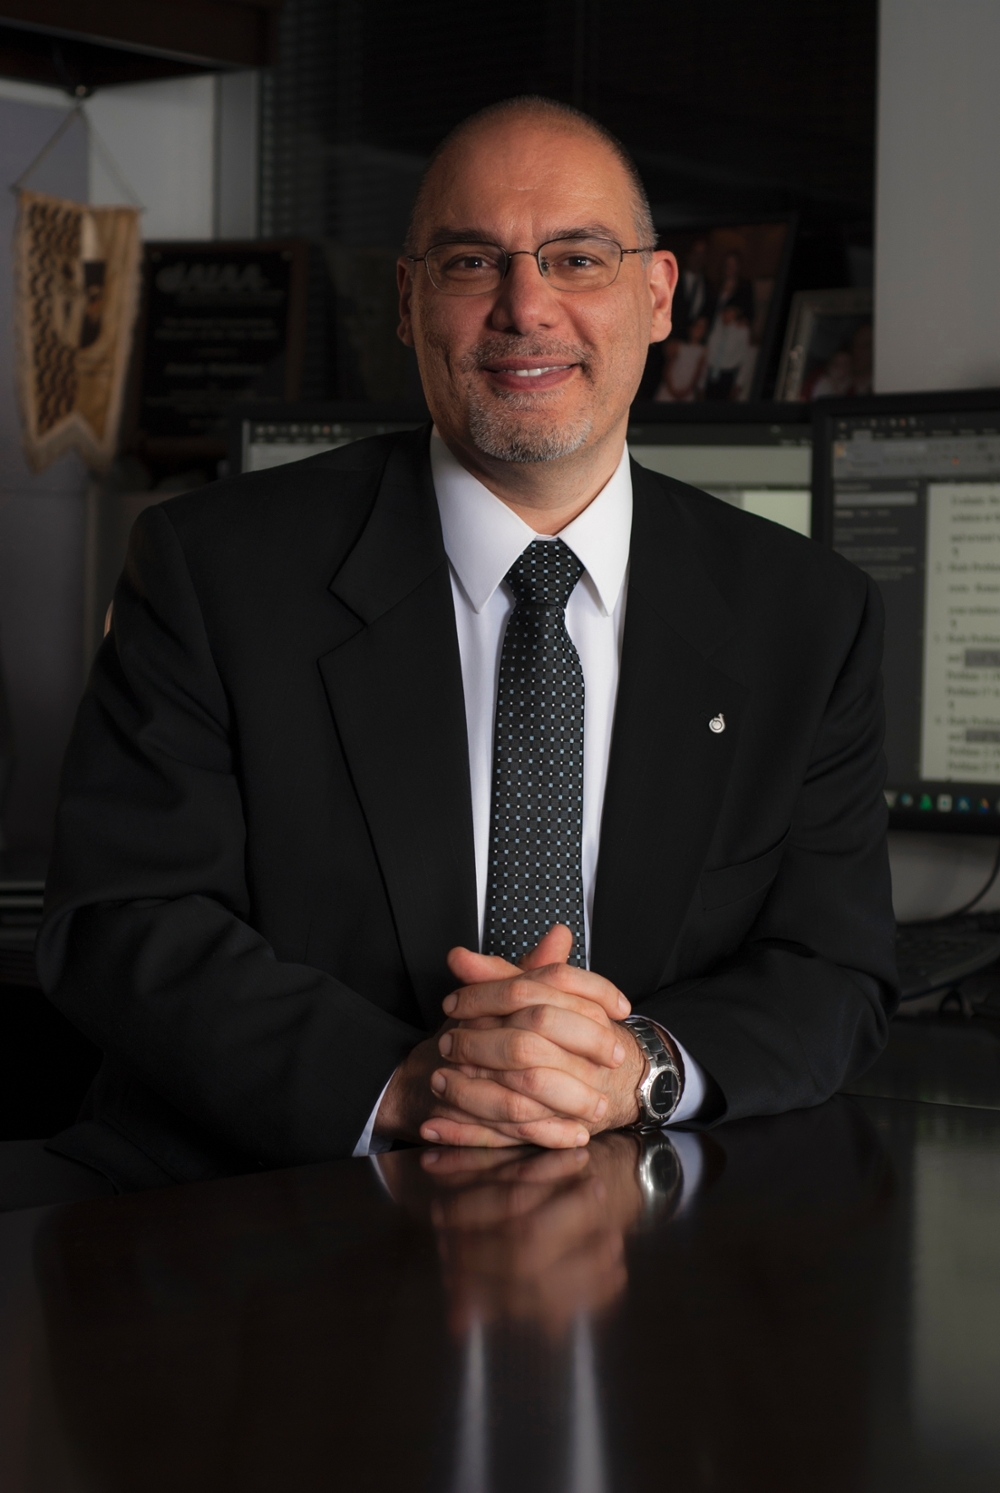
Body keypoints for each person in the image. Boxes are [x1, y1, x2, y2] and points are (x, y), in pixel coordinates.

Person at [31, 96, 896, 1199]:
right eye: (471, 260)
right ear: (407, 299)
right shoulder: (213, 568)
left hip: (627, 1243)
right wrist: (406, 1081)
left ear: (658, 293)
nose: (524, 307)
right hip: (259, 1221)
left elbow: (832, 970)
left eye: (578, 258)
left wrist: (636, 1067)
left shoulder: (806, 615)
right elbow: (121, 917)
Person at [654, 313, 709, 401]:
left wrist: (687, 391)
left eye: (702, 327)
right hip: (670, 388)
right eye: (697, 326)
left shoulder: (703, 351)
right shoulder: (678, 346)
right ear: (691, 327)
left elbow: (698, 374)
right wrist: (671, 388)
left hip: (686, 392)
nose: (698, 330)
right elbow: (668, 367)